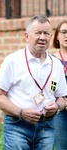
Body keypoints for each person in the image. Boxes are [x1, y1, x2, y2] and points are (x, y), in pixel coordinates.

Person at [0, 15, 67, 150]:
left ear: (51, 37)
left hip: (46, 127)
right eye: (38, 32)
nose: (42, 37)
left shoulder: (56, 64)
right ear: (27, 36)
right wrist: (21, 112)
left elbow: (62, 98)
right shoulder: (13, 60)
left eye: (46, 33)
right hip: (17, 126)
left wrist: (57, 106)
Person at [52, 20, 67, 150]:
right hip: (60, 111)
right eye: (64, 32)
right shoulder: (51, 60)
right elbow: (50, 87)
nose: (66, 36)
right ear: (57, 36)